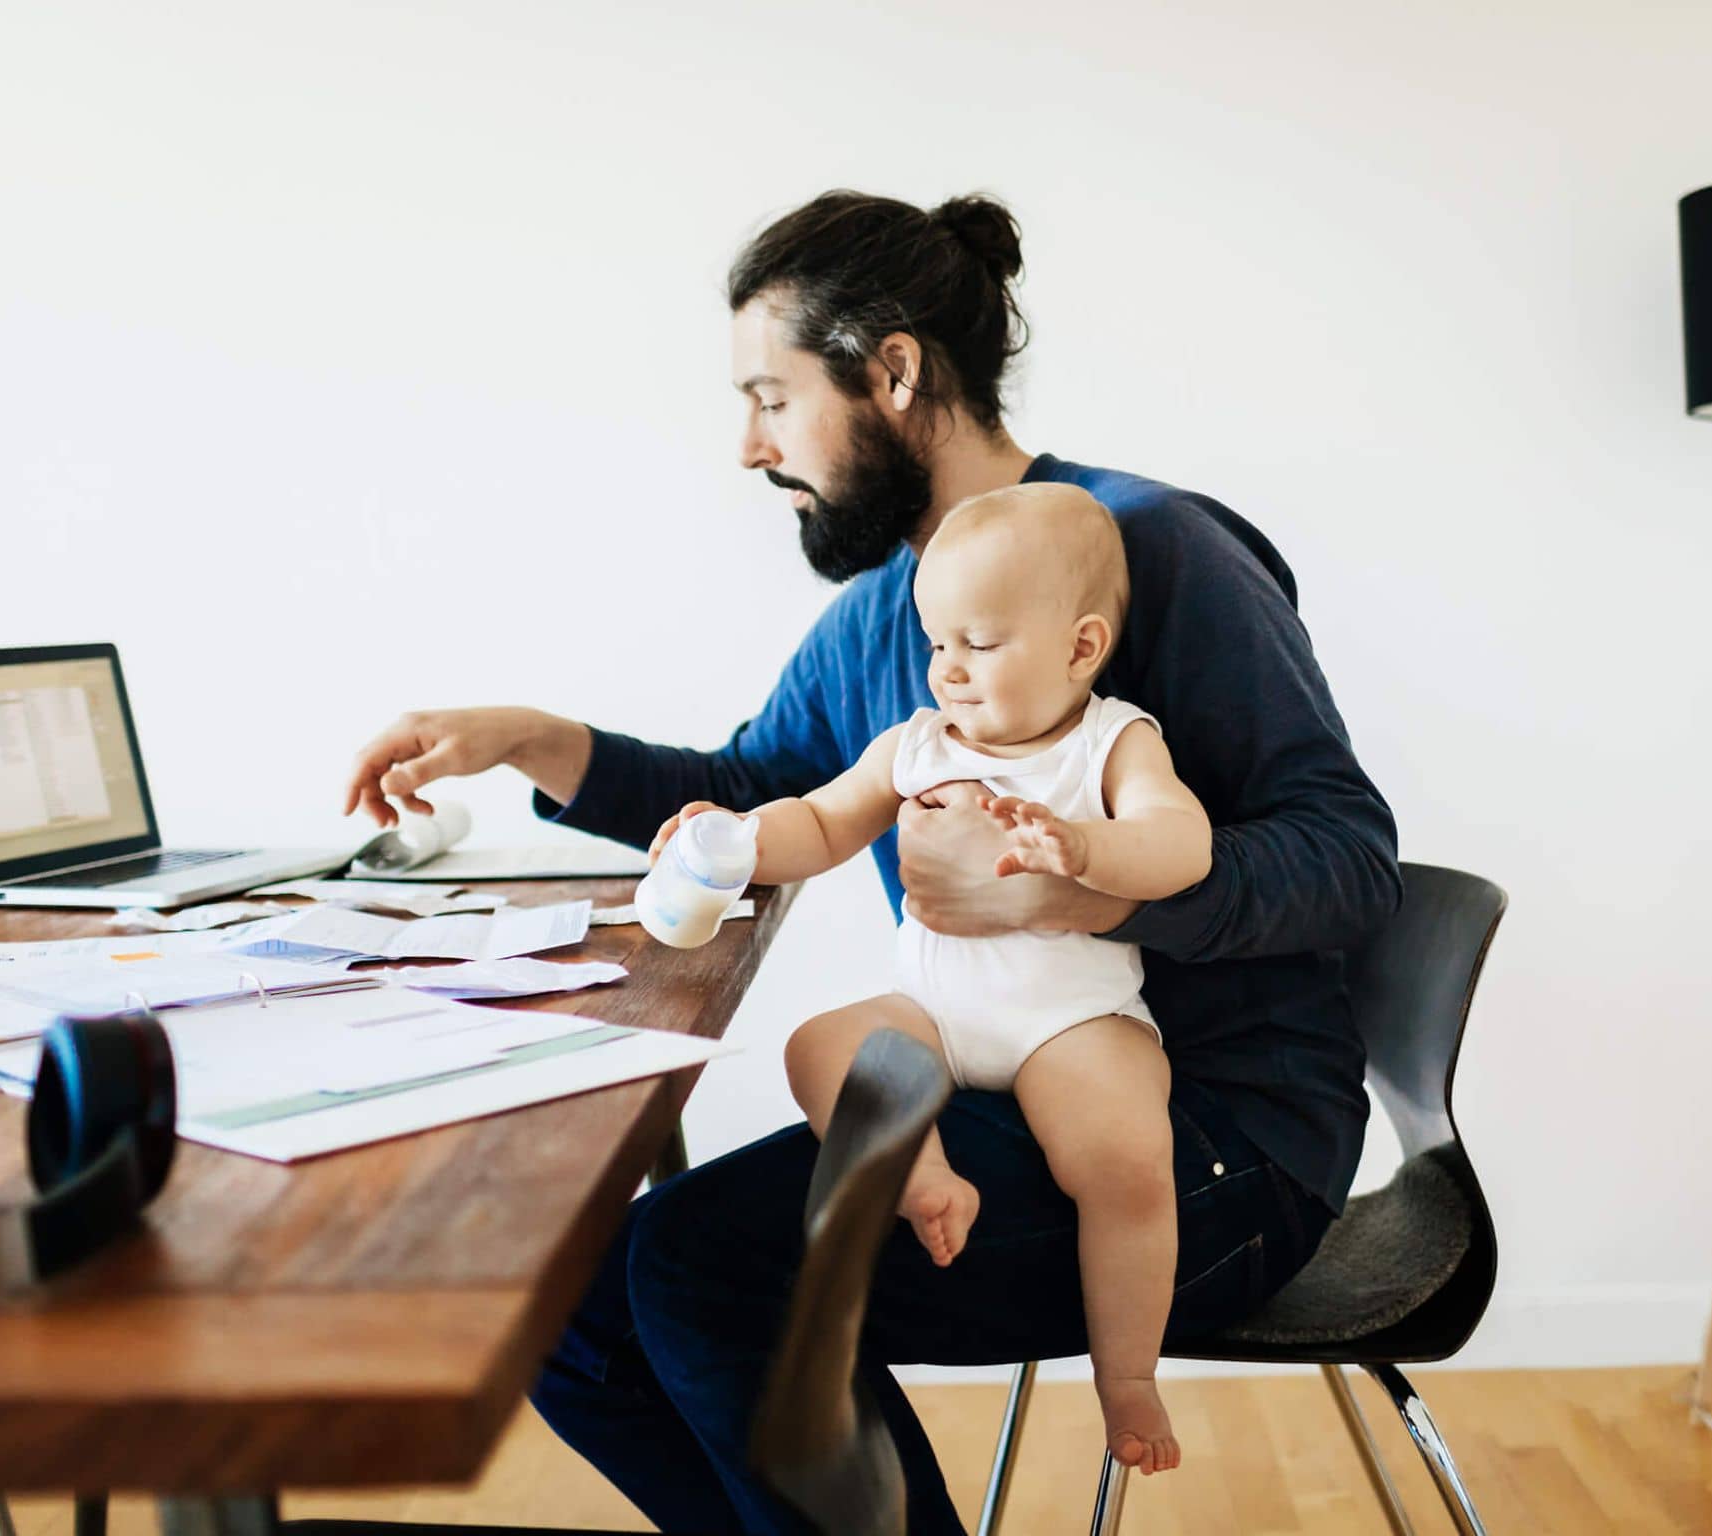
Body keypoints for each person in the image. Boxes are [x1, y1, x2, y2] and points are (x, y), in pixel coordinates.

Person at [342, 188, 1401, 1535]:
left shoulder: (1148, 553)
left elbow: (1348, 859)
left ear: (892, 373)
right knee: (577, 1307)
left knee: (703, 1270)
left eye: (770, 398)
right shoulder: (877, 624)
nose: (747, 446)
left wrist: (1089, 887)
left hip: (1206, 1146)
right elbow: (753, 792)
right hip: (987, 1097)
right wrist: (536, 743)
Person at [652, 482, 1209, 1475]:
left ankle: (1127, 1375)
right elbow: (819, 822)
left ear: (1081, 649)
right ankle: (922, 1179)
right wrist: (734, 838)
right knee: (819, 1047)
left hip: (1070, 1020)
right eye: (936, 642)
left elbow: (1180, 843)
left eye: (980, 645)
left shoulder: (1110, 742)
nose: (947, 669)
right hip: (937, 1012)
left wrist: (1082, 847)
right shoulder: (914, 746)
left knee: (1124, 1162)